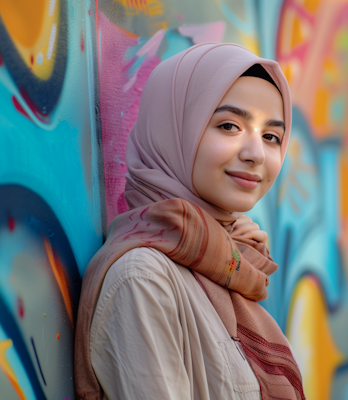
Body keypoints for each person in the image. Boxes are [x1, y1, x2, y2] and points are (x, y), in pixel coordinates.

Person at [74, 43, 305, 400]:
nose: (255, 153)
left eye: (271, 136)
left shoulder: (235, 268)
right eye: (229, 126)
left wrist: (234, 251)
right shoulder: (144, 278)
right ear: (172, 129)